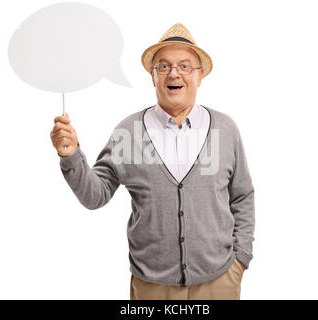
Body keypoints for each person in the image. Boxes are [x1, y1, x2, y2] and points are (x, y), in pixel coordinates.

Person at [50, 23, 255, 300]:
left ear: (200, 75)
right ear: (152, 75)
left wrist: (240, 259)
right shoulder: (128, 132)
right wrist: (70, 154)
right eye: (163, 66)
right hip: (152, 286)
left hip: (219, 280)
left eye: (185, 66)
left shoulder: (225, 129)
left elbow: (242, 196)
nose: (174, 73)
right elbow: (95, 195)